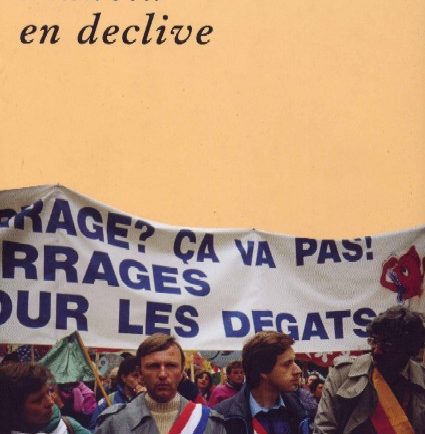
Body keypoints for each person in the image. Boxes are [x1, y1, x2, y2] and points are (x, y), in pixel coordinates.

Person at [314, 305, 425, 433]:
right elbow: (323, 428)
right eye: (373, 341)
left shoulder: (421, 380)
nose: (376, 351)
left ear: (410, 350)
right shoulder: (342, 375)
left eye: (387, 345)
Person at [94, 333, 226, 434]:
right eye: (153, 366)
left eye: (171, 365)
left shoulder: (210, 424)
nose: (162, 374)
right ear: (140, 373)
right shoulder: (113, 424)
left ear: (181, 372)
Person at [214, 331, 311, 434]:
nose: (298, 370)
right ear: (263, 370)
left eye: (294, 362)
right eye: (287, 364)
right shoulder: (222, 417)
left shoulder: (303, 408)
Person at [0, 362, 90, 434]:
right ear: (13, 409)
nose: (50, 402)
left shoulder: (67, 425)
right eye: (38, 400)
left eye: (49, 392)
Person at [89, 356, 146, 431]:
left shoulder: (149, 399)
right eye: (135, 375)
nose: (139, 380)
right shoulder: (108, 401)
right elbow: (94, 428)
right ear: (124, 377)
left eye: (142, 375)